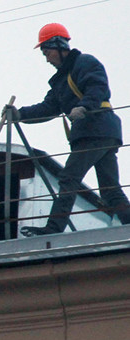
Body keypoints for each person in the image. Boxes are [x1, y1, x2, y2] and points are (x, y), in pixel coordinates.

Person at [13, 23, 130, 237]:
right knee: (110, 189)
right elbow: (48, 108)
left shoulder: (84, 63)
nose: (47, 58)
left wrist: (84, 107)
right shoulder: (61, 81)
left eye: (47, 52)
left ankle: (53, 228)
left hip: (95, 129)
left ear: (58, 45)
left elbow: (97, 87)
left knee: (69, 178)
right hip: (99, 132)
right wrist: (20, 114)